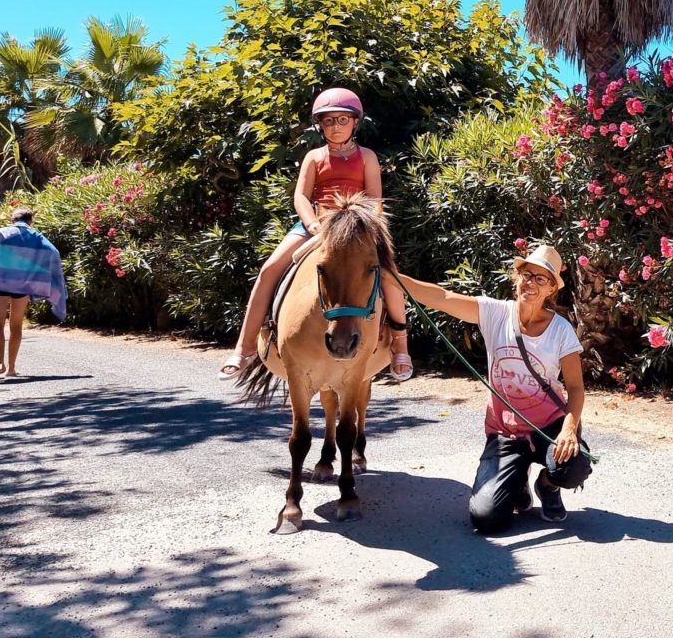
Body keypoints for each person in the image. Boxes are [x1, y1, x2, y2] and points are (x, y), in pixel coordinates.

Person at [218, 87, 413, 382]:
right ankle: (244, 348)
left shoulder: (368, 157)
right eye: (328, 120)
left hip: (356, 230)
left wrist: (365, 229)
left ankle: (401, 347)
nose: (335, 126)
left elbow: (374, 199)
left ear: (355, 122)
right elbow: (300, 196)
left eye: (342, 119)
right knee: (269, 269)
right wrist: (311, 224)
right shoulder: (313, 157)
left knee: (391, 276)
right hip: (317, 224)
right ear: (320, 125)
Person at [399, 244, 589, 533]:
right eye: (527, 275)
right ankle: (518, 483)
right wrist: (391, 276)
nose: (531, 283)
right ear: (516, 278)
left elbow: (575, 388)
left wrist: (569, 428)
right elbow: (442, 296)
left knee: (572, 465)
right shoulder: (495, 313)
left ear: (551, 289)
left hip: (548, 426)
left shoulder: (560, 329)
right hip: (506, 432)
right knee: (486, 518)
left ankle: (548, 486)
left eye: (541, 279)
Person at [0, 207, 68, 381]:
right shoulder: (37, 237)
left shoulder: (1, 233)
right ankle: (12, 368)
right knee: (16, 326)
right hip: (23, 287)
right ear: (31, 220)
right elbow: (53, 252)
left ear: (12, 218)